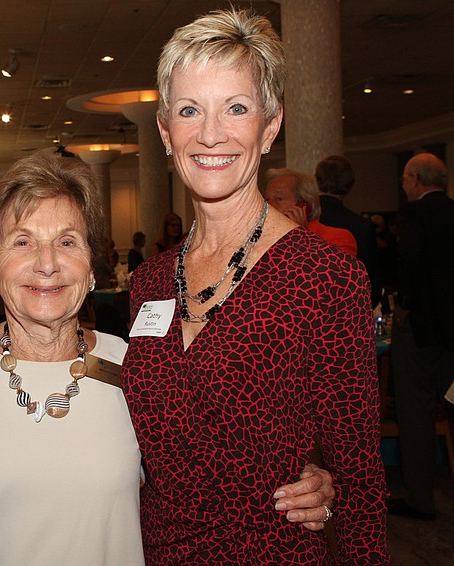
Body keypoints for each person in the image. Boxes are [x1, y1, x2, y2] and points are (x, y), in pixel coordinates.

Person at [0, 152, 337, 565]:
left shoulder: (140, 365)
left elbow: (217, 467)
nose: (47, 264)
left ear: (92, 266)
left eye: (67, 242)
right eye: (23, 242)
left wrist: (310, 484)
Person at [123, 9, 388, 564]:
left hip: (272, 551)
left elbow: (360, 482)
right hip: (158, 550)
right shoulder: (149, 281)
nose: (210, 133)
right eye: (190, 110)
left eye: (236, 108)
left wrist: (330, 494)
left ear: (270, 126)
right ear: (166, 132)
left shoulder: (325, 278)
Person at [388, 152, 454, 521]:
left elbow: (410, 263)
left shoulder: (415, 213)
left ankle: (420, 499)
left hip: (421, 328)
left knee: (416, 412)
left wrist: (404, 305)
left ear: (414, 179)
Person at [315, 155, 381, 302]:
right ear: (350, 184)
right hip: (352, 304)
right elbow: (371, 279)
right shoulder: (362, 225)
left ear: (317, 180)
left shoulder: (305, 219)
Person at [264, 167, 357, 256]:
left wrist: (301, 238)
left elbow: (329, 267)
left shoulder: (339, 238)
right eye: (267, 199)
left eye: (279, 199)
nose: (268, 206)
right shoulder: (264, 240)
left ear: (303, 206)